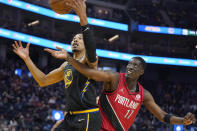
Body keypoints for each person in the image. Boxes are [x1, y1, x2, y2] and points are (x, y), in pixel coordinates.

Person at [45, 47, 196, 131]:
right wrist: (69, 58)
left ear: (141, 72)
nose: (131, 66)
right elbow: (91, 73)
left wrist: (183, 121)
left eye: (135, 65)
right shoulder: (114, 78)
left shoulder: (144, 95)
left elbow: (163, 116)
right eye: (129, 64)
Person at [12, 0, 101, 130]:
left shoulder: (90, 60)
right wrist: (27, 59)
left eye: (80, 38)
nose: (75, 39)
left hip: (87, 117)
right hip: (71, 117)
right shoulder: (66, 66)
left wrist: (82, 16)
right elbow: (43, 80)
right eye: (74, 38)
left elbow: (91, 47)